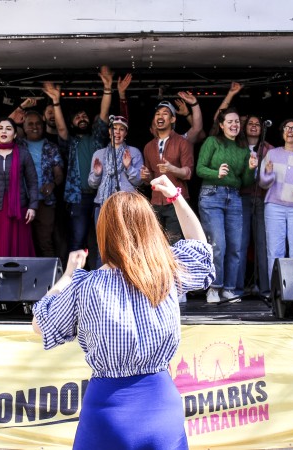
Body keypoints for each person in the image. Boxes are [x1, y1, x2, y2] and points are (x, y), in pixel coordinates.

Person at [32, 175, 214, 450]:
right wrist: (176, 198)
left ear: (104, 231)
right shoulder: (166, 275)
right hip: (162, 407)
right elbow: (201, 249)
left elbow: (40, 323)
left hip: (108, 411)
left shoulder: (85, 286)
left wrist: (67, 275)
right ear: (149, 227)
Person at [42, 67, 113, 258]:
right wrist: (56, 102)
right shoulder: (71, 143)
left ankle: (99, 276)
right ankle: (74, 280)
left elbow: (104, 114)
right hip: (78, 198)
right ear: (72, 123)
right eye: (77, 117)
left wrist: (107, 88)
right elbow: (61, 129)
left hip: (101, 195)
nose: (82, 118)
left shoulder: (97, 137)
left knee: (102, 239)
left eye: (84, 116)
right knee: (77, 240)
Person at [196, 107, 258, 303]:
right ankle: (214, 288)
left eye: (237, 122)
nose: (234, 125)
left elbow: (246, 181)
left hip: (235, 197)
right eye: (230, 122)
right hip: (212, 195)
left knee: (235, 247)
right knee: (218, 245)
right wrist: (217, 174)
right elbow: (199, 169)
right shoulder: (212, 141)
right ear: (221, 125)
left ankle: (229, 289)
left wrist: (250, 169)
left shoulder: (242, 148)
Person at [0, 117, 39, 257]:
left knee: (19, 248)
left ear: (15, 134)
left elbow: (32, 182)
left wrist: (32, 206)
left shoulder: (23, 153)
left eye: (8, 128)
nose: (4, 131)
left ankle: (20, 277)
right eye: (0, 128)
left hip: (18, 209)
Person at [260, 119, 293, 282]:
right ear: (282, 133)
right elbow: (262, 182)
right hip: (274, 206)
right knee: (275, 250)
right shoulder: (272, 154)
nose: (289, 131)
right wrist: (268, 173)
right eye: (286, 128)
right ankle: (276, 289)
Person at [88, 115, 143, 267]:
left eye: (121, 129)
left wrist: (128, 167)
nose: (117, 132)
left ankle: (127, 278)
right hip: (103, 204)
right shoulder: (98, 154)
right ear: (109, 132)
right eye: (114, 129)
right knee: (103, 244)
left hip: (124, 204)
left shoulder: (133, 152)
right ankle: (102, 280)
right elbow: (92, 184)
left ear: (126, 133)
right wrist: (97, 173)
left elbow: (139, 181)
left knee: (126, 243)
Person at [141, 101, 195, 244]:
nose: (160, 116)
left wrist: (172, 169)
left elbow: (188, 173)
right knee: (155, 244)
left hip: (176, 201)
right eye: (157, 114)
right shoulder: (148, 147)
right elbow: (151, 178)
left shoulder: (183, 143)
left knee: (174, 244)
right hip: (156, 201)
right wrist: (146, 177)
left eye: (165, 113)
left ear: (173, 119)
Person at [18, 110, 64, 258]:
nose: (35, 127)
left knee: (45, 242)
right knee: (23, 242)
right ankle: (26, 279)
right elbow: (3, 126)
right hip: (22, 201)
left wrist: (52, 184)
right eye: (30, 124)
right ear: (23, 127)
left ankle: (51, 280)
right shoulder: (18, 146)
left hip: (45, 202)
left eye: (38, 123)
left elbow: (59, 174)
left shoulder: (51, 147)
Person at [236, 114, 273, 297]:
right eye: (250, 123)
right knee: (240, 244)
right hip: (242, 197)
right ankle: (237, 288)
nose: (253, 126)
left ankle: (266, 288)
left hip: (262, 198)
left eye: (257, 124)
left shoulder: (269, 149)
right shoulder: (238, 146)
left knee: (262, 244)